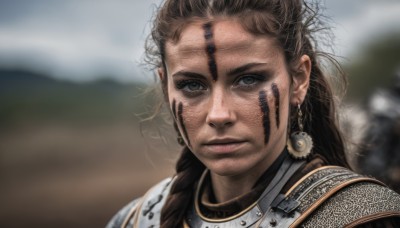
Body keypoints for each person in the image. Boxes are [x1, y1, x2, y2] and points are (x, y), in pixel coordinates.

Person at [107, 0, 400, 227]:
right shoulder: (136, 221)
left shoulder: (360, 216)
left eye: (248, 79)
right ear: (165, 86)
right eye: (191, 85)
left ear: (298, 79)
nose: (219, 114)